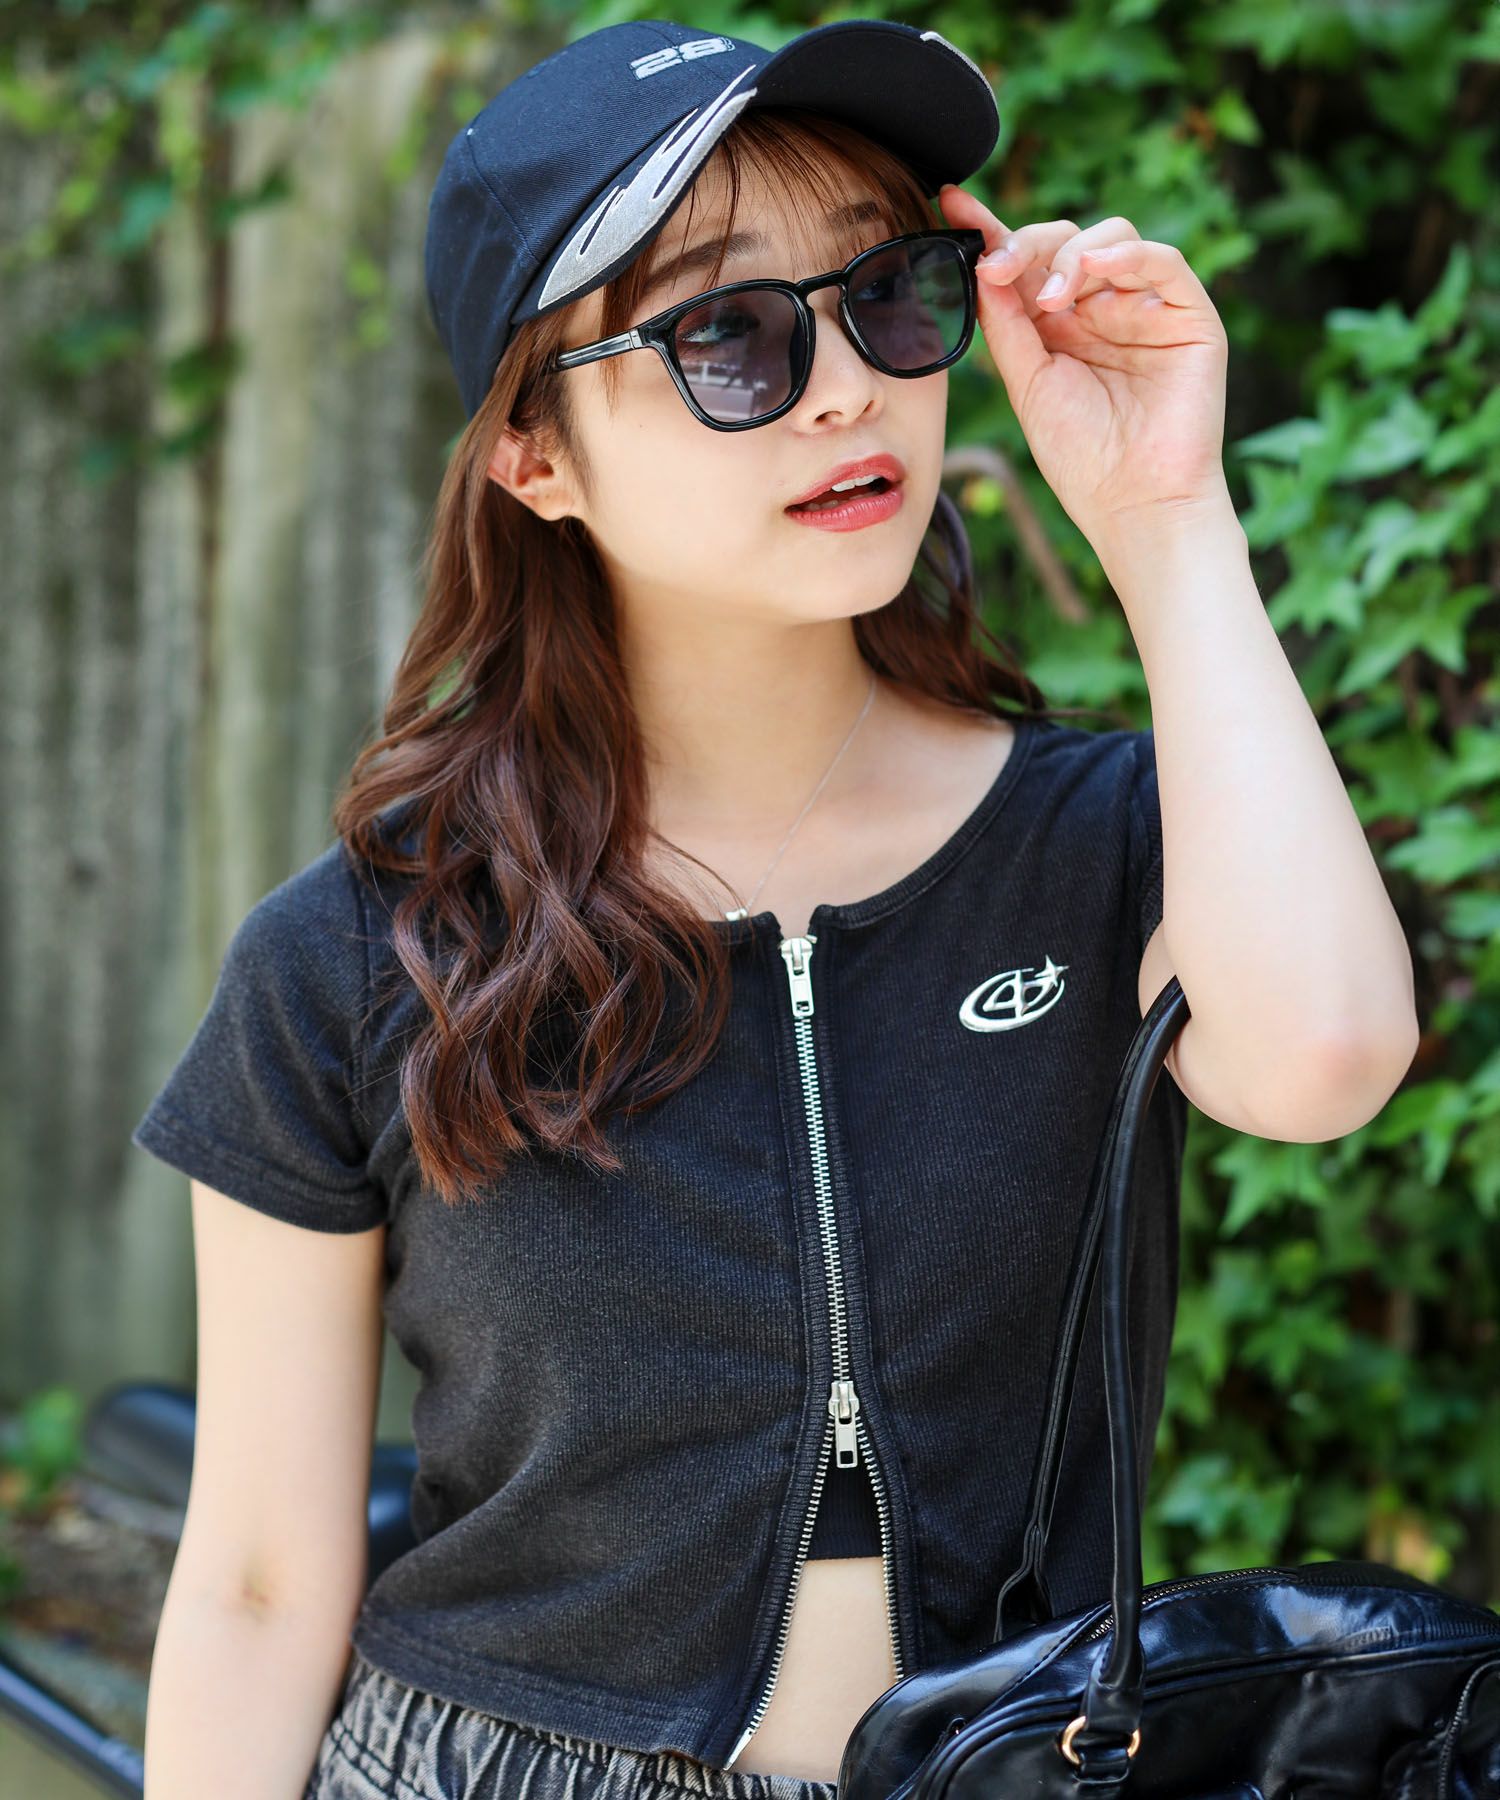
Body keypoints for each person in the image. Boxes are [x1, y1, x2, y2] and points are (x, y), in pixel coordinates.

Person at [132, 18, 1198, 1800]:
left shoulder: (1105, 842)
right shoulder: (353, 961)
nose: (846, 386)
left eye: (888, 294)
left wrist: (1167, 517)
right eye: (728, 336)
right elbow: (252, 1581)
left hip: (1022, 1766)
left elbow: (1328, 1056)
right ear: (534, 458)